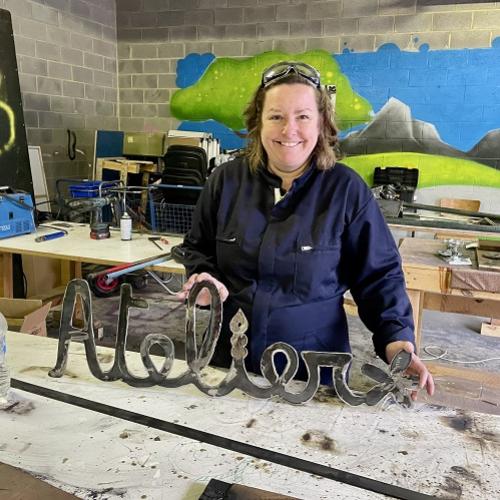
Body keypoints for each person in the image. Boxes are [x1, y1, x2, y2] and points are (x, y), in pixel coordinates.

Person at [177, 61, 434, 399]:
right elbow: (198, 249)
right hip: (228, 356)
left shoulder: (346, 190)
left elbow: (379, 276)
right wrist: (204, 277)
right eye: (276, 116)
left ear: (322, 123)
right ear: (257, 123)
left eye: (302, 116)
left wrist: (398, 345)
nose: (289, 130)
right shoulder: (225, 181)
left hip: (313, 366)